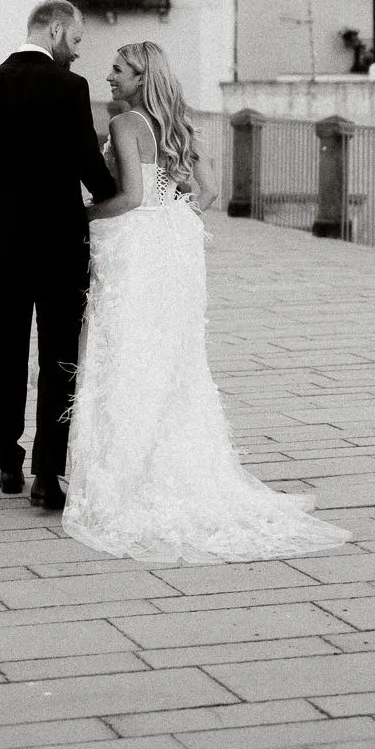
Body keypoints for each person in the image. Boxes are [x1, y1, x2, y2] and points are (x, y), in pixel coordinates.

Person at [63, 41, 351, 562]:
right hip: (175, 250)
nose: (109, 76)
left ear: (140, 77)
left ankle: (125, 471)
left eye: (118, 70)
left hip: (137, 251)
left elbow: (128, 198)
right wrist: (173, 211)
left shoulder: (126, 126)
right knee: (174, 359)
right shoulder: (179, 124)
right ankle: (175, 462)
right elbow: (208, 193)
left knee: (128, 352)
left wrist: (79, 216)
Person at [0, 0, 117, 511]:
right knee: (59, 356)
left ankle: (8, 461)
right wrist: (127, 190)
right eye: (76, 39)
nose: (78, 50)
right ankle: (48, 475)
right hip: (60, 242)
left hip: (3, 242)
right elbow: (87, 165)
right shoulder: (69, 88)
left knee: (6, 349)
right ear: (55, 29)